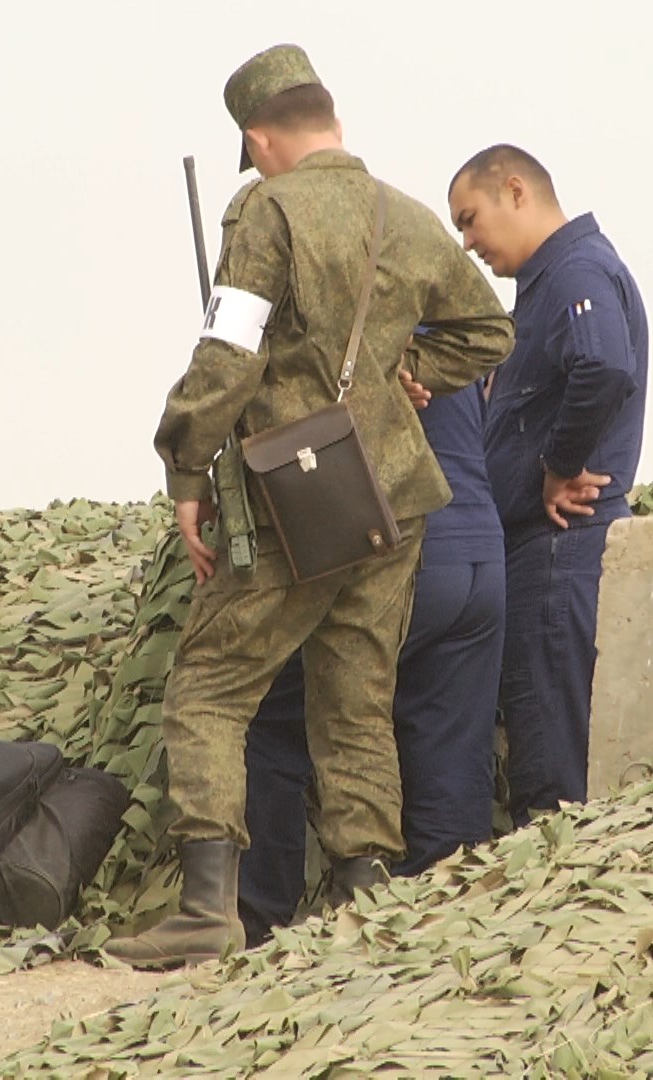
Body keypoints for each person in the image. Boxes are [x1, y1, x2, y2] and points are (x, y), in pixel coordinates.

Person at [105, 45, 513, 969]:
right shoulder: (405, 218)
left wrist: (185, 467)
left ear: (258, 138)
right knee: (358, 697)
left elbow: (228, 352)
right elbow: (491, 331)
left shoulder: (263, 208)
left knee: (209, 686)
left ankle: (208, 909)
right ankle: (364, 893)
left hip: (294, 501)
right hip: (393, 502)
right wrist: (414, 374)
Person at [238, 376, 505, 945]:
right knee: (451, 752)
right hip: (480, 552)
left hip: (396, 550)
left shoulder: (355, 315)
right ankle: (445, 932)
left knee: (269, 715)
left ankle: (259, 922)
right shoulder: (441, 306)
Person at [445, 145, 648, 827]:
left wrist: (558, 466)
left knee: (549, 754)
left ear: (515, 190)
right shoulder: (545, 283)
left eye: (471, 220)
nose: (467, 242)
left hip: (558, 546)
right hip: (530, 546)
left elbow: (602, 365)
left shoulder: (575, 271)